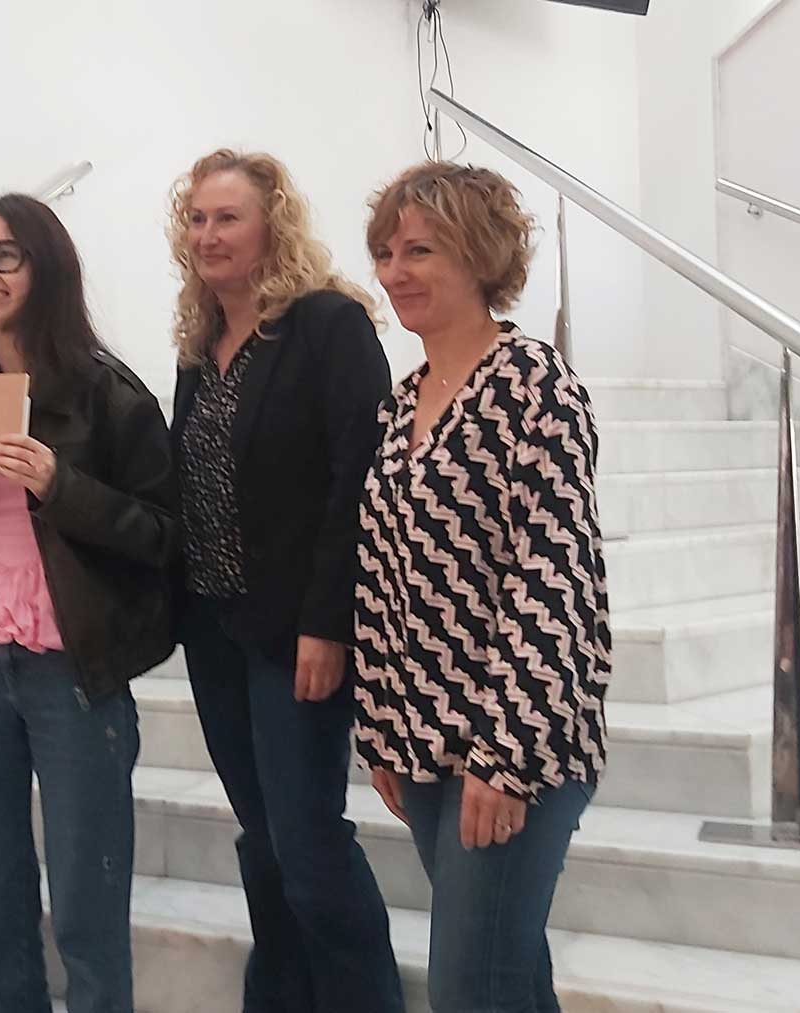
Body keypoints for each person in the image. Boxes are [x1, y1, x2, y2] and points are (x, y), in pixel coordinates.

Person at [0, 193, 177, 1013]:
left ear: (45, 267)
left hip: (70, 663)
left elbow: (164, 536)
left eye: (4, 254)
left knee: (87, 896)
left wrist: (60, 484)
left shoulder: (107, 393)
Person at [355, 160, 612, 1012]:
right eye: (387, 252)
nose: (396, 272)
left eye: (420, 250)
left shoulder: (536, 386)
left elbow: (555, 581)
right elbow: (381, 574)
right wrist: (382, 729)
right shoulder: (402, 404)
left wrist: (507, 757)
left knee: (470, 988)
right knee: (507, 977)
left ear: (478, 255)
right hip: (424, 740)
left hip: (519, 746)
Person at [166, 148, 403, 1013]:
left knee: (306, 841)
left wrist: (328, 623)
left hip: (297, 630)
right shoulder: (200, 346)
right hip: (215, 629)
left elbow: (359, 480)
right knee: (263, 837)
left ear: (273, 226)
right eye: (197, 218)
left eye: (227, 217)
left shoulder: (328, 325)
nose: (208, 234)